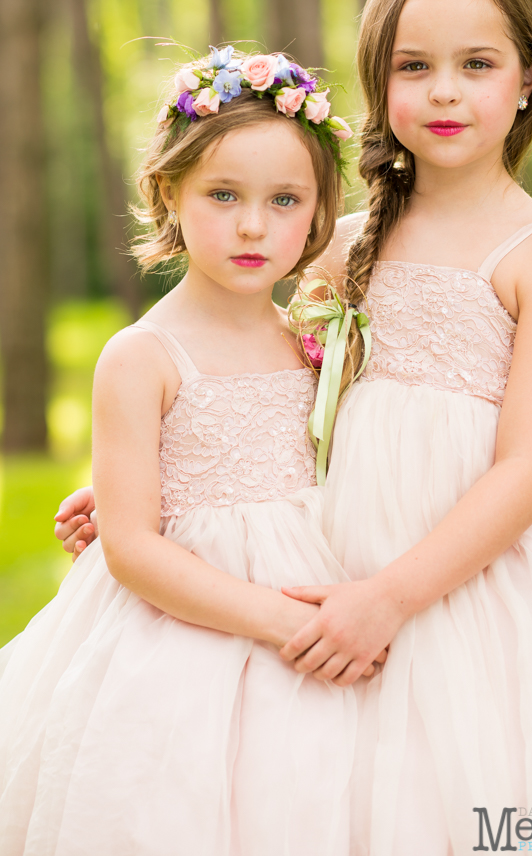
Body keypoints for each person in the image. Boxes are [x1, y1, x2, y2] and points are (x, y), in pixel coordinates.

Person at [55, 0, 532, 853]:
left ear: (528, 78)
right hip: (345, 546)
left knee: (480, 773)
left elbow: (527, 471)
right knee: (358, 790)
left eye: (477, 63)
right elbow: (272, 383)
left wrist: (388, 597)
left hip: (475, 567)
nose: (445, 91)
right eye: (412, 65)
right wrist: (161, 481)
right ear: (378, 80)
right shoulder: (340, 243)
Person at [0, 47, 370, 856]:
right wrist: (279, 622)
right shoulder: (142, 357)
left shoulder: (313, 333)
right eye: (223, 195)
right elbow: (132, 548)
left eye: (283, 201)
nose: (251, 225)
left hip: (322, 600)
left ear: (317, 212)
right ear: (169, 191)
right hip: (191, 636)